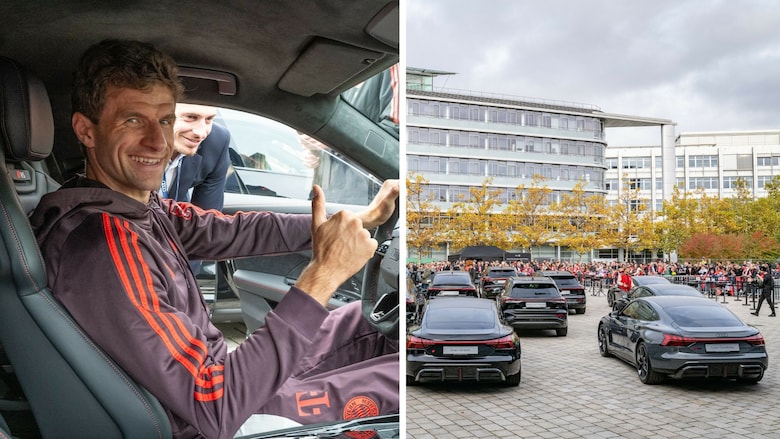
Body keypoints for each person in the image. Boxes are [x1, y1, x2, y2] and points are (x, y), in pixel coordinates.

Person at [29, 39, 400, 439]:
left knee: (363, 319)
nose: (159, 142)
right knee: (397, 382)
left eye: (166, 121)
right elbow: (215, 405)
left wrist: (364, 218)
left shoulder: (137, 208)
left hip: (220, 380)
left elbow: (232, 229)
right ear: (87, 130)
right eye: (133, 120)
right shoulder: (106, 246)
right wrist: (323, 275)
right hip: (221, 418)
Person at [162, 102, 230, 211]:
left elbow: (207, 218)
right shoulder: (131, 139)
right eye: (190, 117)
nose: (201, 133)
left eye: (208, 119)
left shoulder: (216, 142)